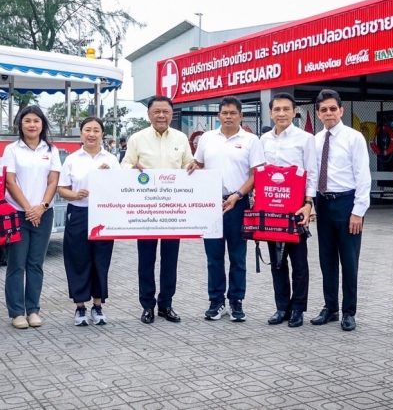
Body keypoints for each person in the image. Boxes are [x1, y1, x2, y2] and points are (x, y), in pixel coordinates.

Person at [190, 96, 265, 323]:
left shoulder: (252, 140)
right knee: (213, 257)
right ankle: (216, 302)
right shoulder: (207, 139)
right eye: (225, 113)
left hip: (238, 203)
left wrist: (238, 195)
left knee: (237, 257)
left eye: (233, 113)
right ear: (218, 116)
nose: (229, 117)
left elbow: (255, 175)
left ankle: (236, 301)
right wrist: (192, 166)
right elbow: (199, 165)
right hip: (210, 204)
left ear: (241, 115)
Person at [122, 95, 194, 324]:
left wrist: (194, 170)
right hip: (146, 210)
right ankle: (147, 305)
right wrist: (132, 168)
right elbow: (125, 165)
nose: (161, 115)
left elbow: (187, 167)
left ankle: (166, 304)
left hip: (173, 210)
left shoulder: (181, 138)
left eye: (165, 112)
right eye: (157, 112)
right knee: (146, 259)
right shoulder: (137, 138)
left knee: (170, 259)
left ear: (172, 114)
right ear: (149, 114)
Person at [311, 89, 371, 332]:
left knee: (349, 261)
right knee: (326, 260)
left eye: (332, 109)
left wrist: (358, 211)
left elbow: (363, 176)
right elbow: (313, 174)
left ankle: (349, 311)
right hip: (323, 204)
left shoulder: (354, 137)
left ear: (341, 110)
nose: (328, 113)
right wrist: (311, 204)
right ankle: (330, 308)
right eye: (323, 110)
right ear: (318, 113)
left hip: (347, 205)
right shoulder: (315, 140)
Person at [259, 92, 317, 328]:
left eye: (286, 109)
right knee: (277, 262)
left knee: (299, 262)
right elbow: (259, 172)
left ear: (294, 112)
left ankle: (298, 309)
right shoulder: (263, 140)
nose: (281, 113)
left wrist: (308, 204)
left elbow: (311, 172)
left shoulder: (305, 139)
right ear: (271, 112)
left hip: (296, 208)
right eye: (277, 109)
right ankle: (281, 307)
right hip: (271, 208)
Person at [2, 105, 62, 329]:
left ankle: (33, 309)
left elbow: (53, 181)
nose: (32, 125)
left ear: (42, 125)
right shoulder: (12, 149)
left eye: (36, 121)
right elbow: (10, 181)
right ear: (20, 124)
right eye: (27, 121)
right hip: (17, 213)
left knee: (36, 264)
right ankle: (17, 312)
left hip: (43, 214)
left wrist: (42, 207)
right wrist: (29, 208)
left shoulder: (51, 150)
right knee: (16, 263)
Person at [57, 116, 120, 326]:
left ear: (103, 134)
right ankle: (80, 307)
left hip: (104, 215)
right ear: (81, 133)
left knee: (101, 260)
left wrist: (109, 177)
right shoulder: (72, 159)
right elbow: (62, 189)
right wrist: (75, 195)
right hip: (79, 213)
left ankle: (98, 305)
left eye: (96, 130)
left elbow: (121, 188)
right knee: (78, 259)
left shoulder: (111, 159)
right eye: (87, 130)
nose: (91, 134)